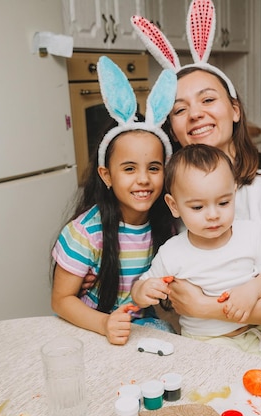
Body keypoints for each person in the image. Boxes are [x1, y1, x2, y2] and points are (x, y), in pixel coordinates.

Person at [131, 0, 261, 368]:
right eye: (179, 109)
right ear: (172, 127)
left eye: (208, 99)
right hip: (199, 355)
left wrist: (206, 307)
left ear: (235, 110)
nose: (195, 113)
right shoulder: (171, 197)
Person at [50, 56, 178, 345]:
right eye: (129, 168)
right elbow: (60, 300)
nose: (143, 179)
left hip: (140, 329)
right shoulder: (85, 233)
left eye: (154, 168)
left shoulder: (166, 228)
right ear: (107, 176)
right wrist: (104, 323)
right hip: (91, 328)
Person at [132, 144, 261, 360]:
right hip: (205, 345)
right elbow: (140, 290)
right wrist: (143, 291)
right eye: (198, 208)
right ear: (174, 206)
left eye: (223, 202)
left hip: (256, 337)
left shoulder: (249, 234)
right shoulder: (173, 252)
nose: (213, 215)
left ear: (233, 193)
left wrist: (253, 290)